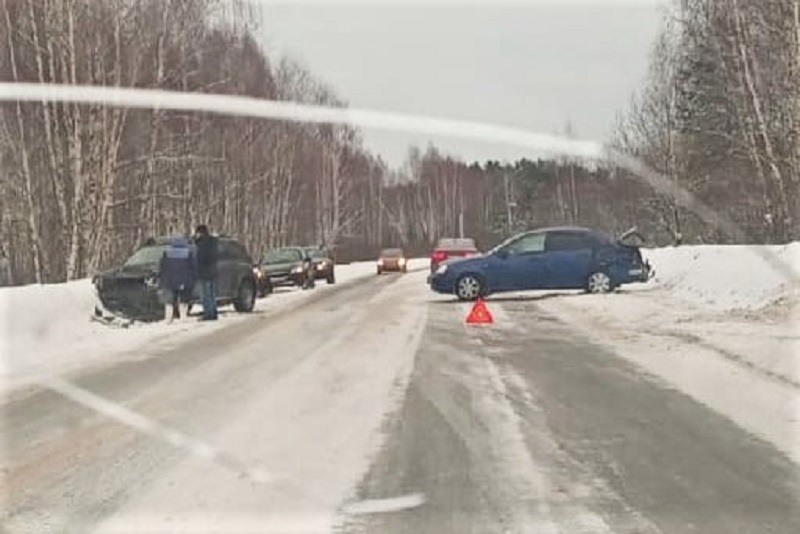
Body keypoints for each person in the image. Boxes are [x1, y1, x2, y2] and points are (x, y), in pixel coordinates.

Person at [159, 235, 195, 323]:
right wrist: (193, 278)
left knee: (169, 300)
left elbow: (162, 266)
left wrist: (162, 277)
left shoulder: (167, 253)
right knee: (183, 298)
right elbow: (192, 266)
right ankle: (183, 316)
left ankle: (168, 318)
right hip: (184, 279)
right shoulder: (188, 252)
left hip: (169, 279)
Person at [194, 224, 218, 321]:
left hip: (205, 272)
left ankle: (208, 313)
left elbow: (201, 258)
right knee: (211, 294)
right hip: (212, 271)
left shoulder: (203, 243)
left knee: (206, 294)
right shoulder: (212, 242)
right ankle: (213, 312)